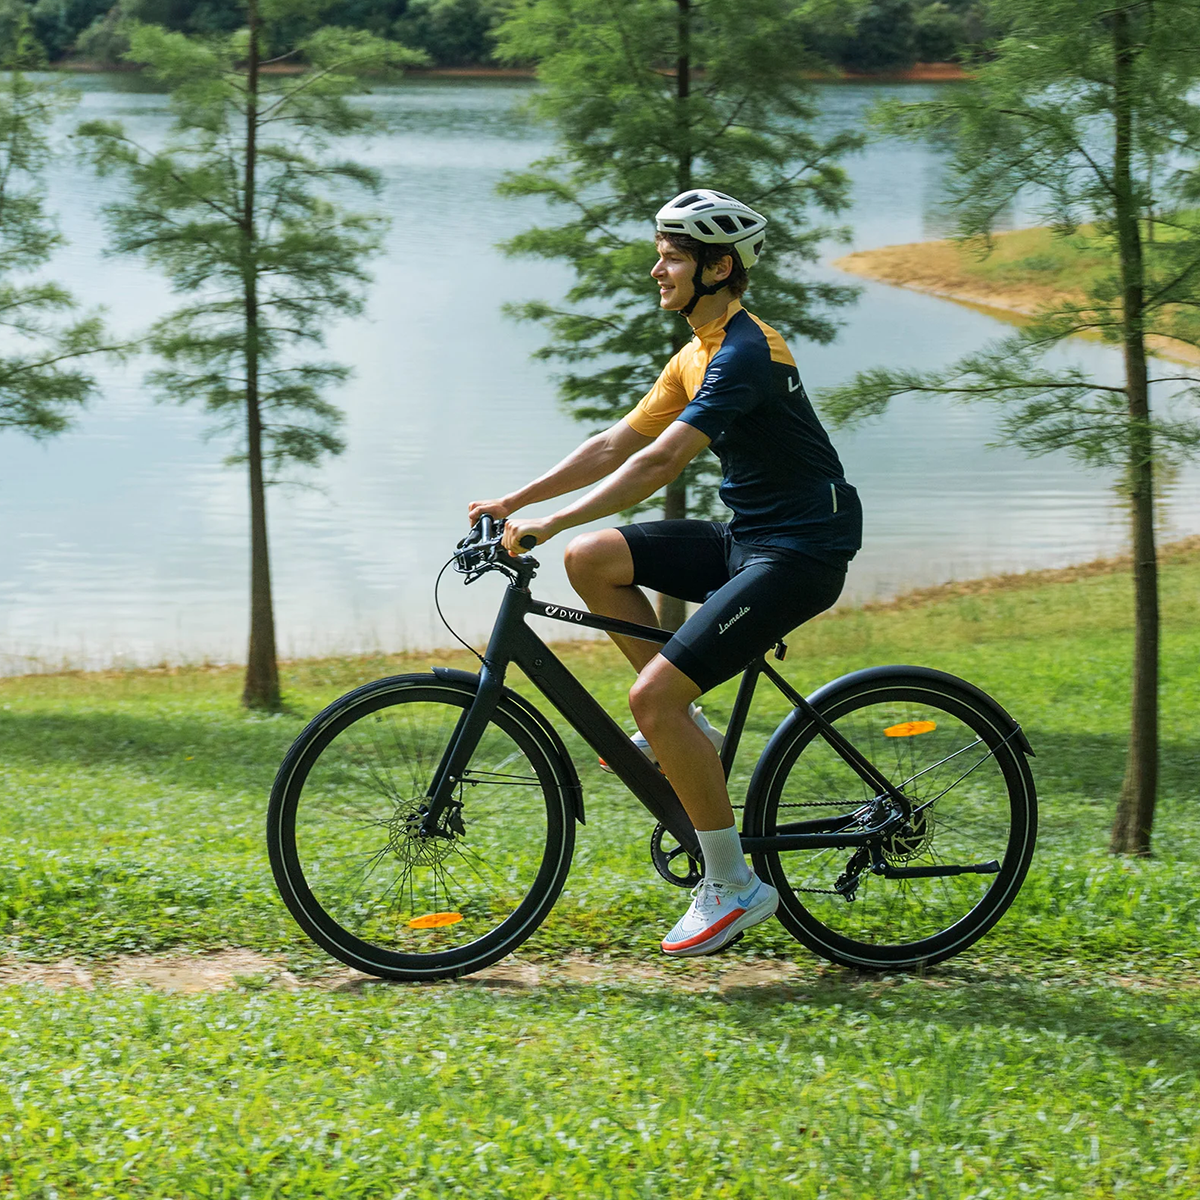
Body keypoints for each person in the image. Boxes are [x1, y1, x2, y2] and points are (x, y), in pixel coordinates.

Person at [468, 189, 862, 957]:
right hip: (750, 535)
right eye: (662, 253)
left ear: (719, 268)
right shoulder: (696, 351)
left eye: (672, 256)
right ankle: (687, 726)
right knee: (593, 559)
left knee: (651, 696)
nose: (657, 269)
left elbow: (662, 460)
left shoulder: (748, 352)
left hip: (802, 551)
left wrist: (552, 520)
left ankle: (733, 883)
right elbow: (617, 443)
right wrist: (514, 500)